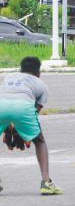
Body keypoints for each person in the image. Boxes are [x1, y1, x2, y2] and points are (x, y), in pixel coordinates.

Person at [0, 57, 63, 195]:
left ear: (21, 69)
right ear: (38, 72)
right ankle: (46, 183)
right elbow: (34, 112)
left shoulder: (9, 77)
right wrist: (21, 132)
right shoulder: (41, 84)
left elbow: (7, 101)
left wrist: (8, 131)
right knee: (39, 141)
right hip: (23, 106)